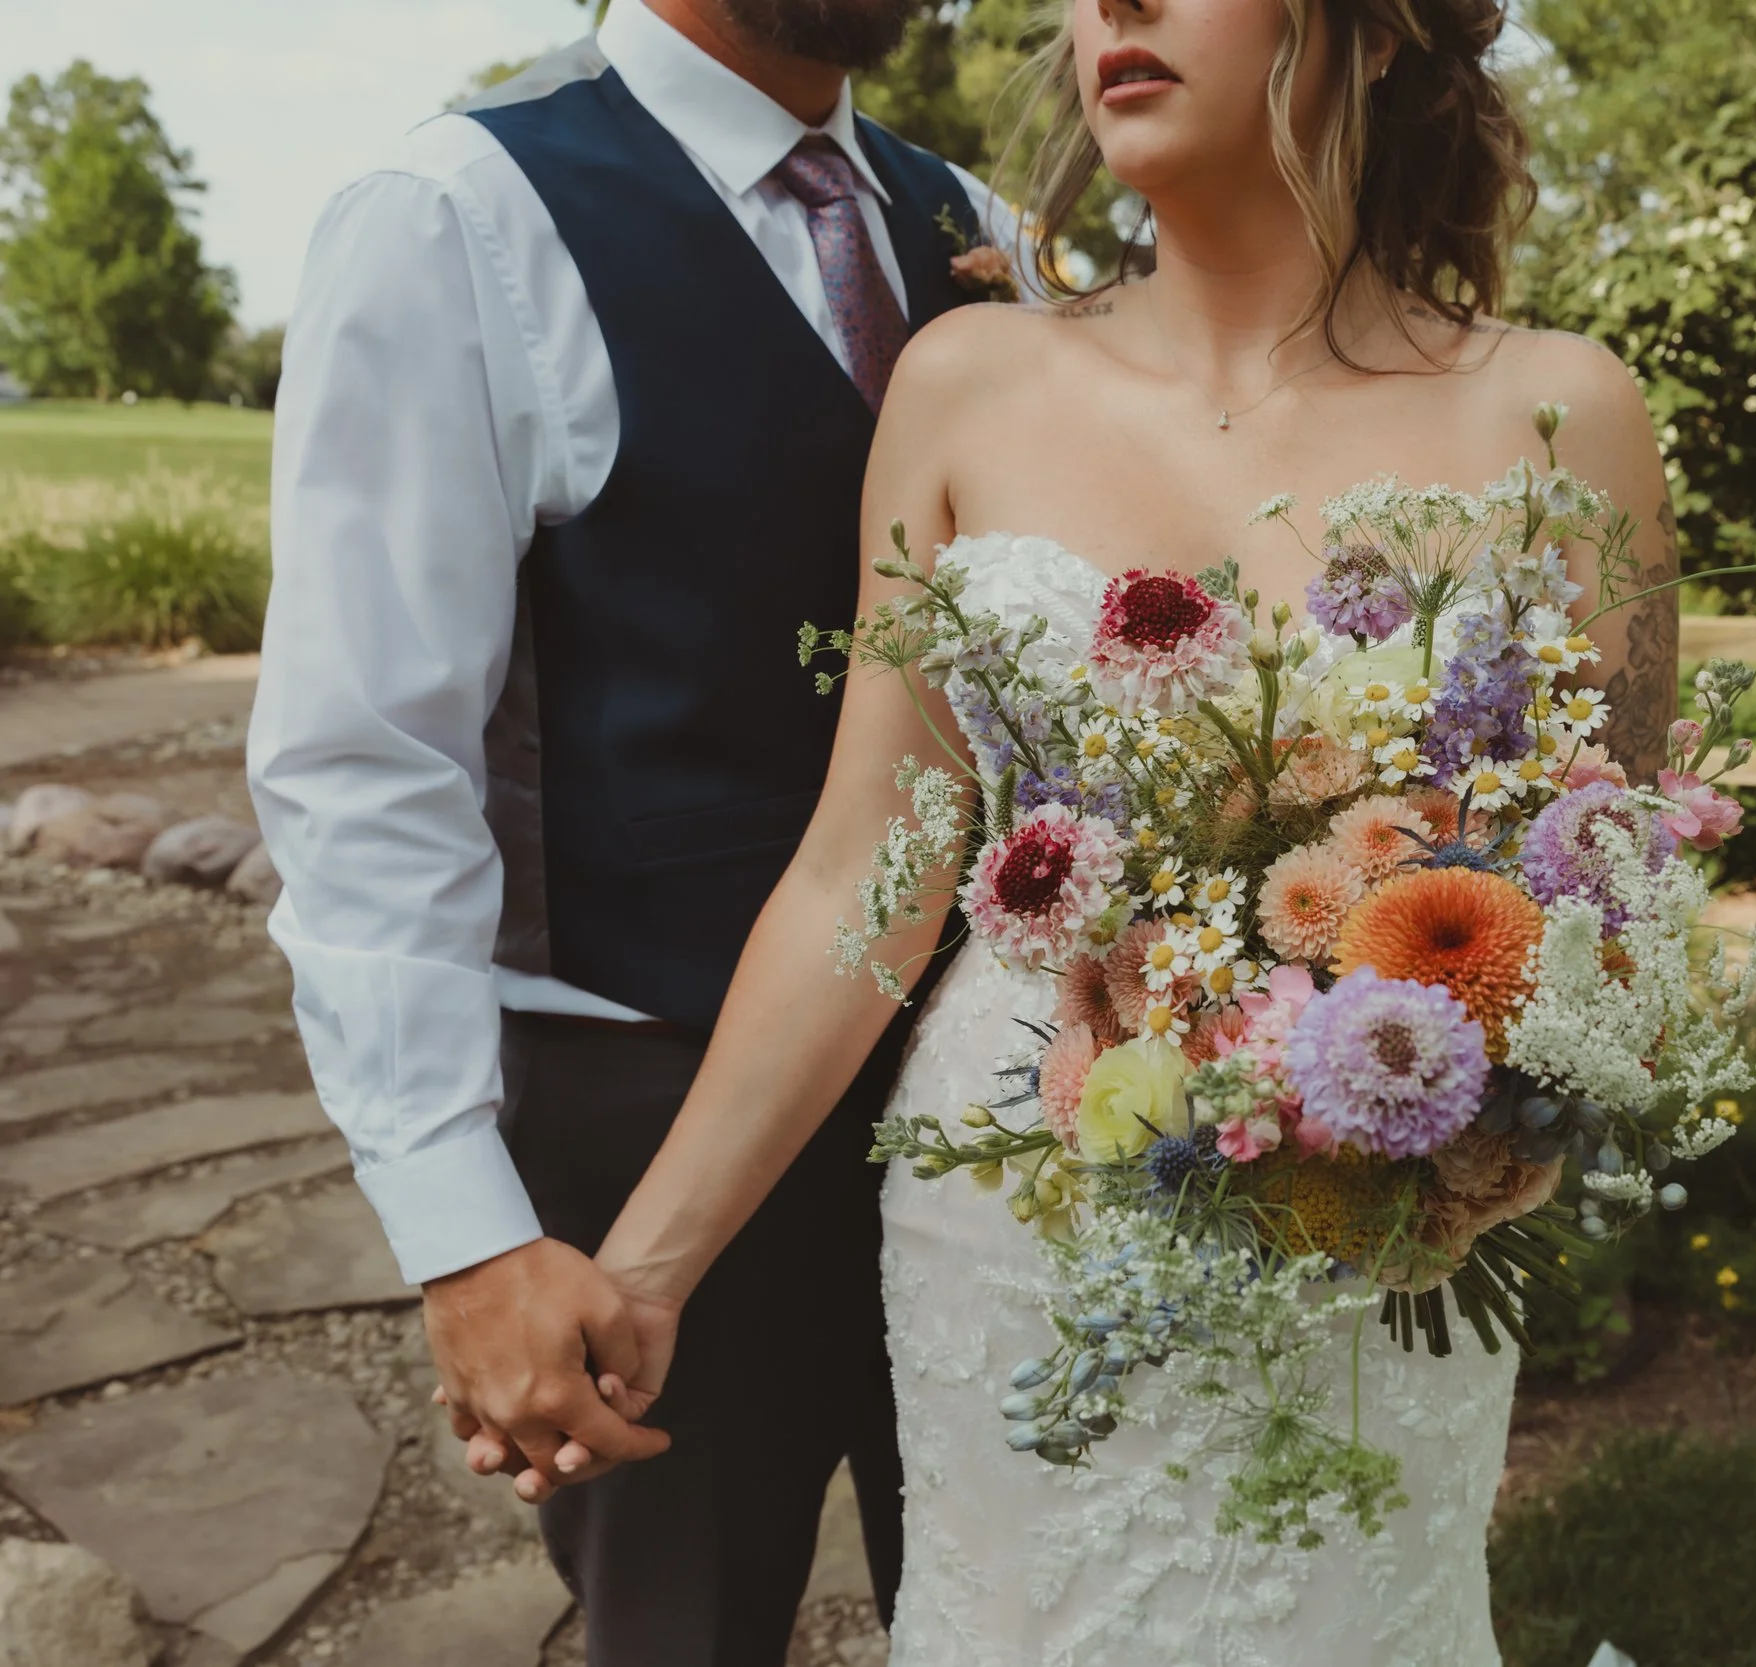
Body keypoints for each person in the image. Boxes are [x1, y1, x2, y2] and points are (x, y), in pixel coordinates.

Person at [530, 0, 1689, 1658]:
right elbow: (872, 865)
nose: (1114, 6)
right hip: (1012, 1220)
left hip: (1382, 1230)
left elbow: (1613, 901)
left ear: (1374, 34)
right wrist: (645, 1267)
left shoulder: (1565, 414)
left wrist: (1475, 1119)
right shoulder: (964, 382)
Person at [244, 0, 1024, 1660]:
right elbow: (365, 759)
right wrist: (465, 1233)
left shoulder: (975, 227)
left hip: (987, 1131)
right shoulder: (462, 215)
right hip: (636, 1128)